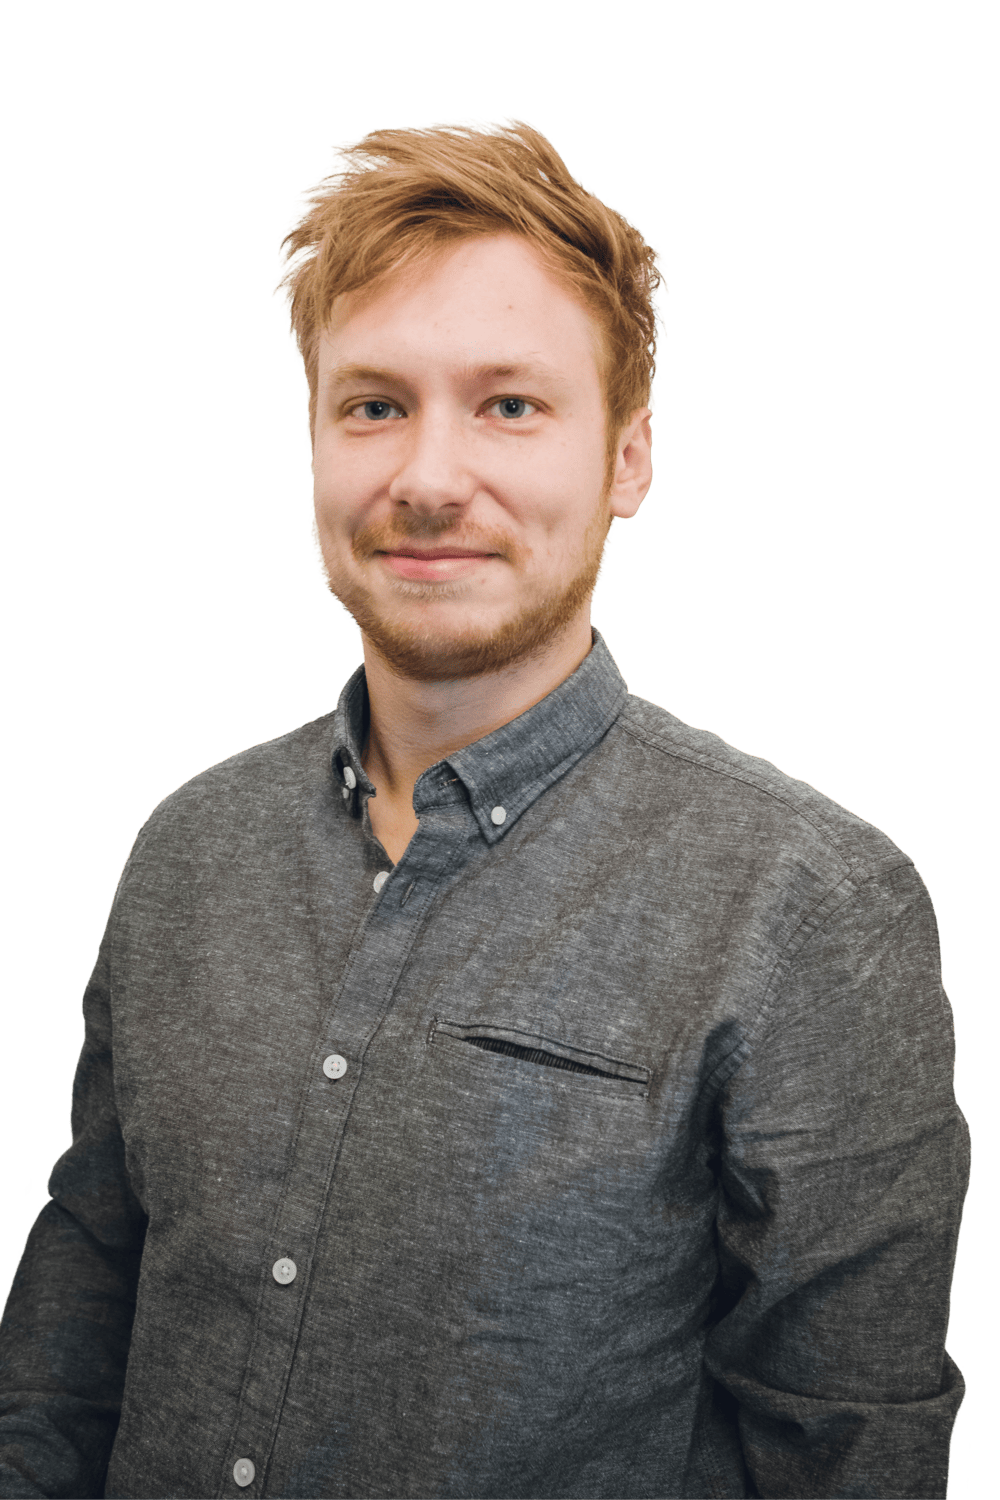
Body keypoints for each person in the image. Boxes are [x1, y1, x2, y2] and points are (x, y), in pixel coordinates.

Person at [0, 115, 969, 1500]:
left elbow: (846, 1452)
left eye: (510, 405)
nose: (428, 479)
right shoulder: (187, 849)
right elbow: (81, 1309)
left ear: (626, 458)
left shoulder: (811, 904)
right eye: (373, 406)